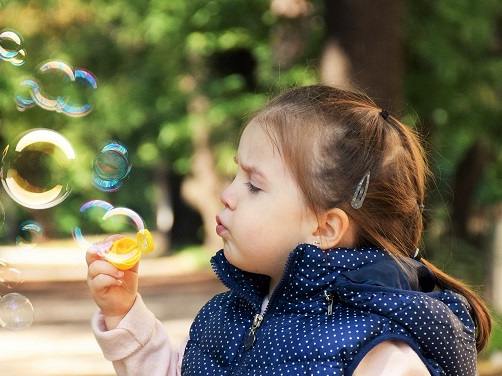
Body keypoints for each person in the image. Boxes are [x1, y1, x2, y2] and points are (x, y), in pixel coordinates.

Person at [85, 85, 491, 375]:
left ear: (325, 226)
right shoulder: (226, 316)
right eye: (234, 173)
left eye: (254, 184)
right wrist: (125, 316)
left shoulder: (378, 348)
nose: (227, 195)